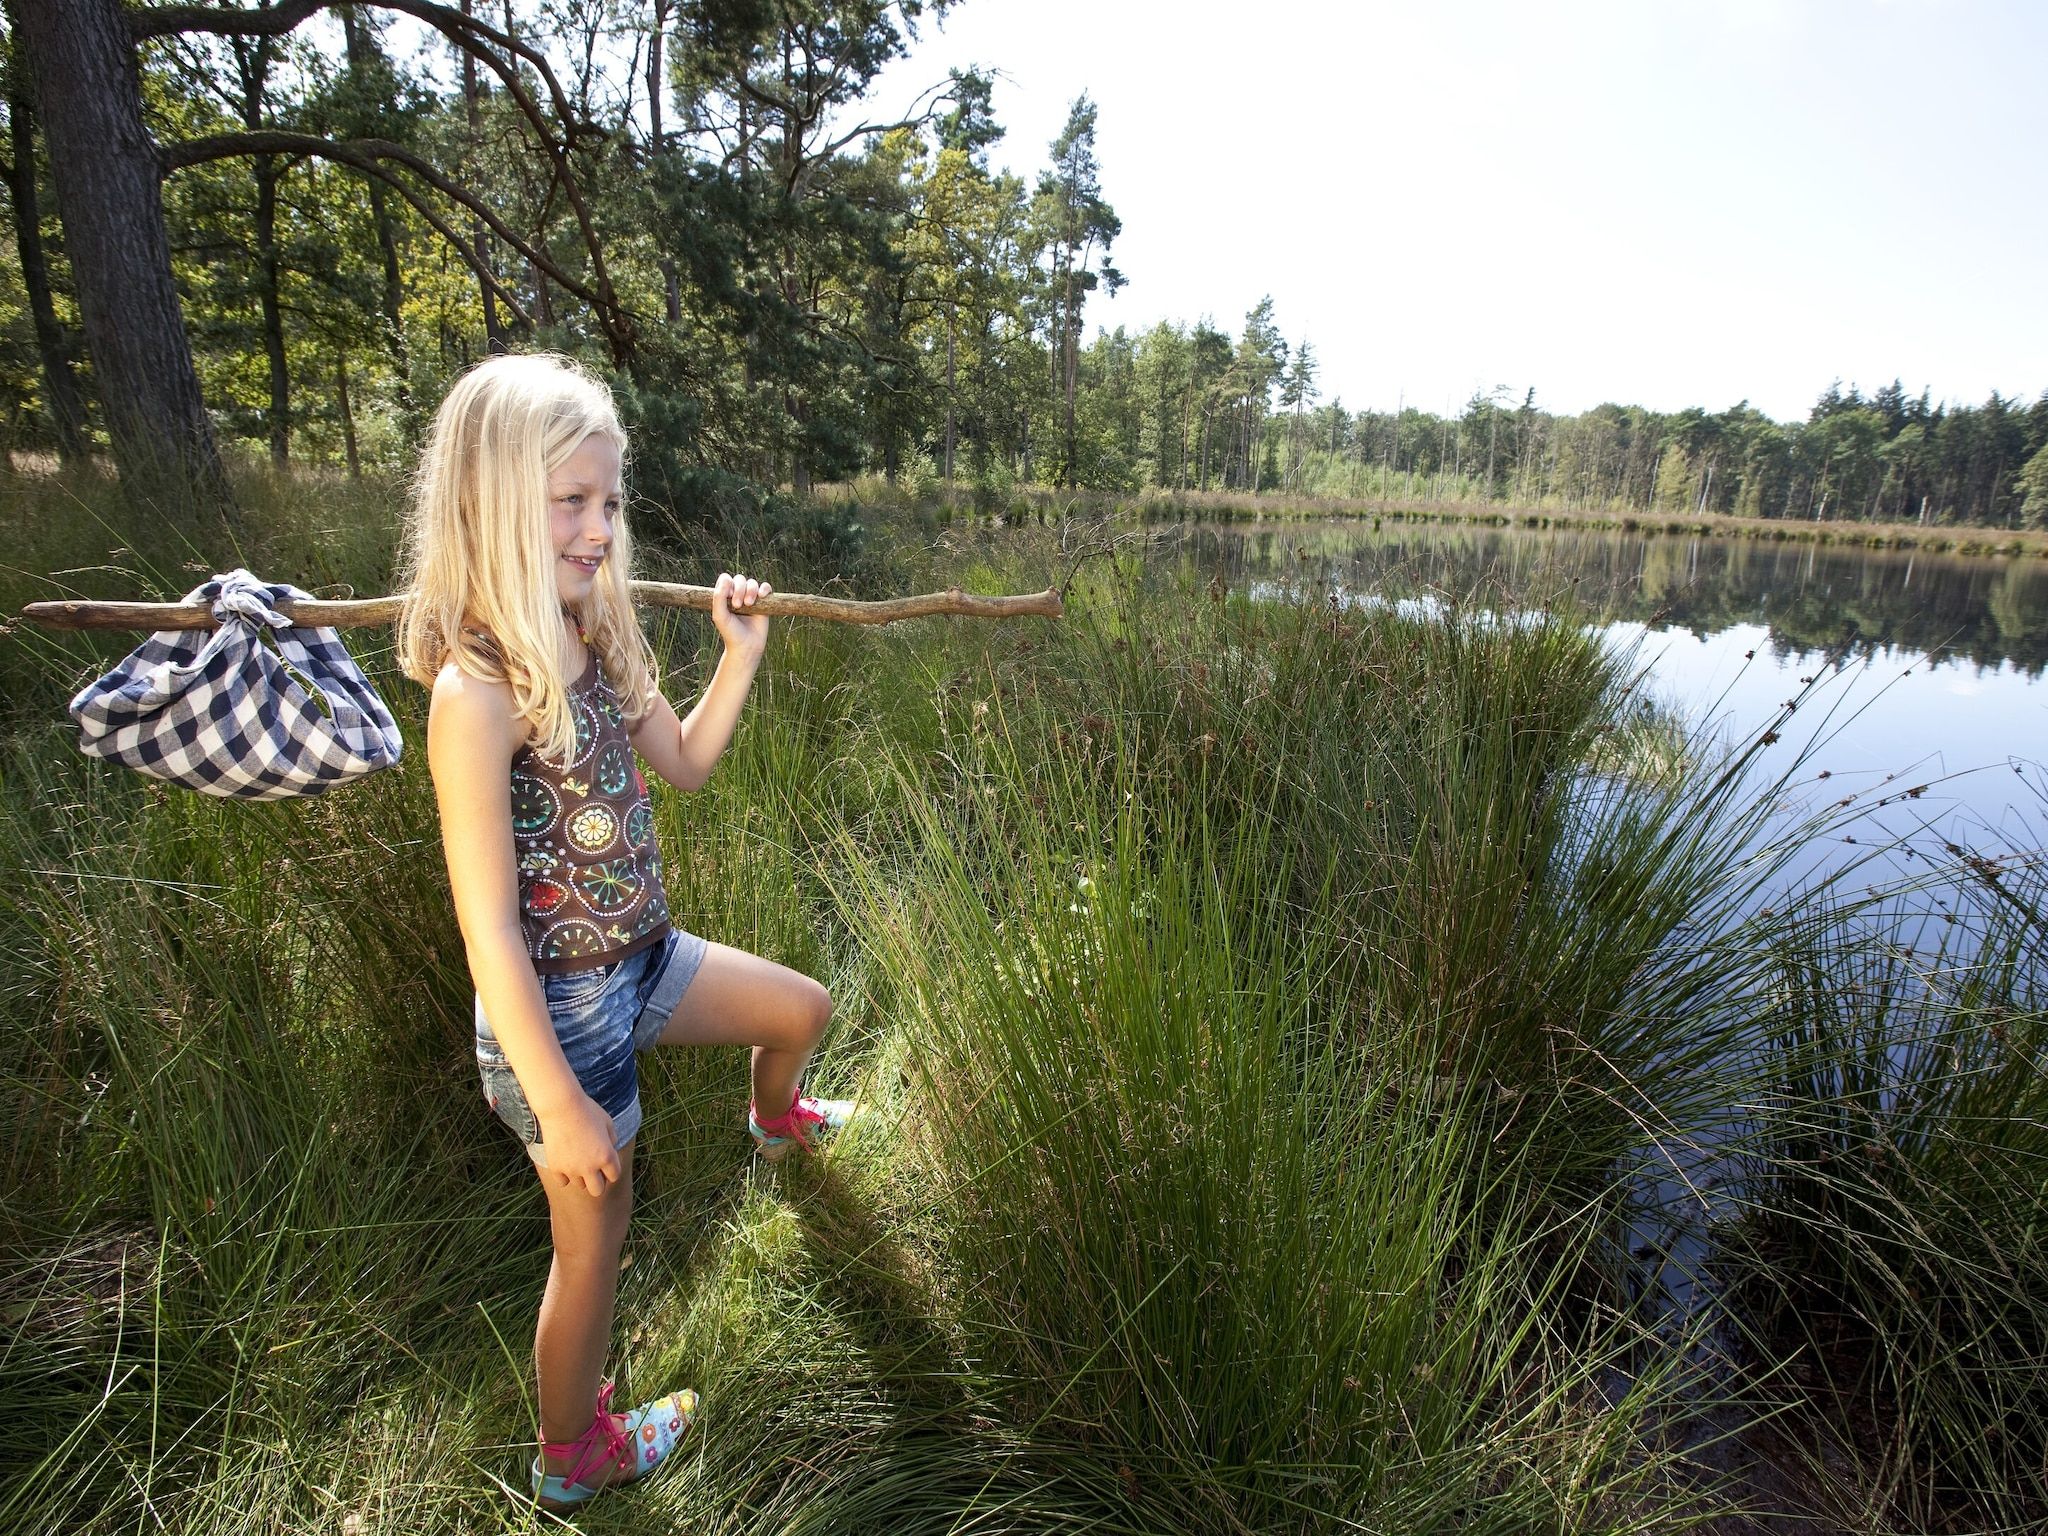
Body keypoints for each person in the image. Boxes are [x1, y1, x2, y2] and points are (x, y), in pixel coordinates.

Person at [396, 352, 853, 1510]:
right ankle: (571, 1456)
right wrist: (558, 1102)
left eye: (608, 501)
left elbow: (686, 762)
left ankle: (773, 1126)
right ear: (494, 499)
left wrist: (740, 658)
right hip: (554, 1022)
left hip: (645, 959)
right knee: (592, 1247)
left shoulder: (592, 636)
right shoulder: (477, 691)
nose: (599, 529)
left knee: (801, 1009)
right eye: (571, 501)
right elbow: (489, 933)